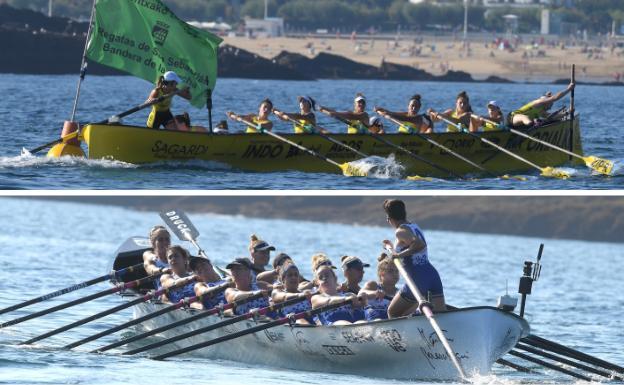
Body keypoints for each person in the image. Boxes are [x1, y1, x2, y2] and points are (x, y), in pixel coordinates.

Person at [382, 199, 446, 318]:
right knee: (441, 315)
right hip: (432, 275)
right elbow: (411, 247)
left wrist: (398, 255)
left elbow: (419, 244)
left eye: (387, 219)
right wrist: (391, 248)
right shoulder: (414, 226)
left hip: (418, 278)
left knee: (392, 312)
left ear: (390, 218)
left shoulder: (400, 231)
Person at [509, 82, 575, 127]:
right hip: (513, 118)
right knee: (525, 117)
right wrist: (568, 89)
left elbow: (552, 117)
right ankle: (532, 123)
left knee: (541, 120)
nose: (550, 108)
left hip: (522, 126)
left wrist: (567, 112)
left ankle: (533, 123)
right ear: (547, 101)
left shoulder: (542, 112)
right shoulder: (538, 102)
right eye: (551, 105)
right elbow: (555, 98)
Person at [359, 253, 399, 321]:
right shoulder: (373, 285)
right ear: (381, 274)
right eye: (391, 271)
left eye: (397, 271)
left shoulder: (399, 293)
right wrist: (374, 293)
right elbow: (361, 293)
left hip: (390, 320)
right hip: (373, 319)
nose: (395, 274)